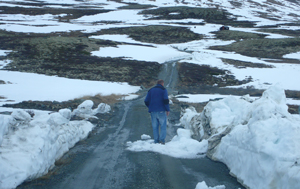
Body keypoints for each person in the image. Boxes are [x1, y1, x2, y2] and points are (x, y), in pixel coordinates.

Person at [144, 79, 170, 144]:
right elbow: (166, 100)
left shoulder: (151, 90)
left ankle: (156, 141)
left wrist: (150, 107)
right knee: (163, 126)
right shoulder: (163, 90)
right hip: (161, 110)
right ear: (162, 83)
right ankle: (162, 140)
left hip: (153, 111)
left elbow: (146, 101)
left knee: (155, 126)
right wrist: (167, 109)